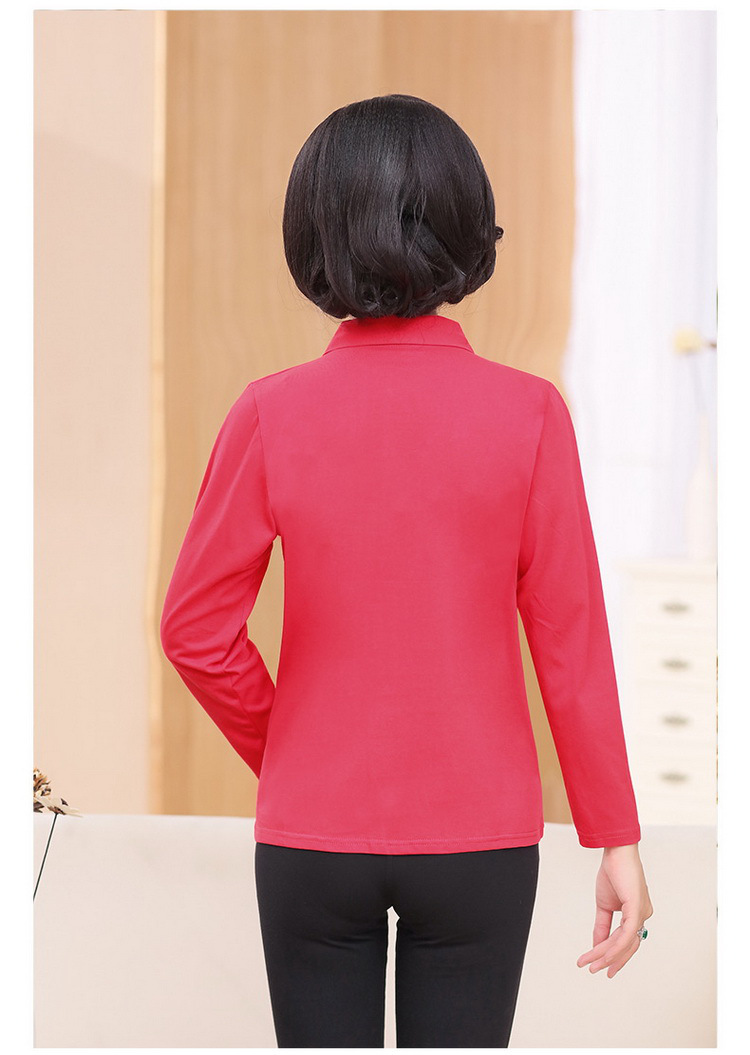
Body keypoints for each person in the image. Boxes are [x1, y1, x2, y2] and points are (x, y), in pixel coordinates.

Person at [160, 93, 654, 1048]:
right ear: (465, 224)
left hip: (312, 836)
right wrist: (615, 835)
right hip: (481, 838)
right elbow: (573, 645)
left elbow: (195, 632)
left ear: (315, 234)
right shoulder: (530, 414)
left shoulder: (269, 411)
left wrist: (289, 749)